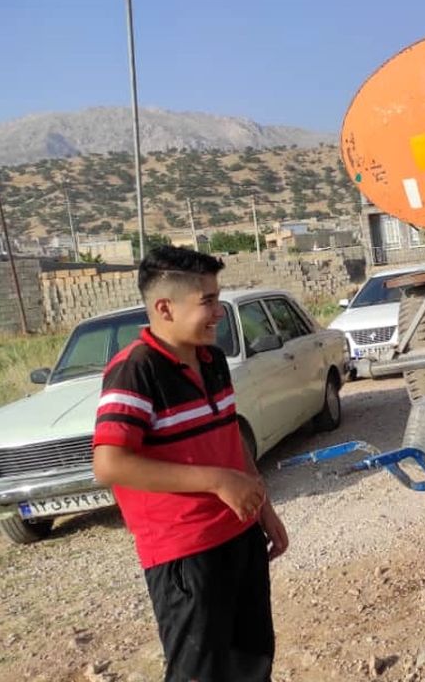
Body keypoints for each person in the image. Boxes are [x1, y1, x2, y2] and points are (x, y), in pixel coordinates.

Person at [92, 246, 287, 681]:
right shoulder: (134, 370)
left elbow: (230, 436)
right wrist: (217, 481)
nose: (219, 312)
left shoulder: (212, 360)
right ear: (164, 307)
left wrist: (264, 510)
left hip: (239, 536)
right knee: (199, 673)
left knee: (252, 663)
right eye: (208, 302)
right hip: (185, 554)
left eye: (218, 298)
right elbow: (109, 463)